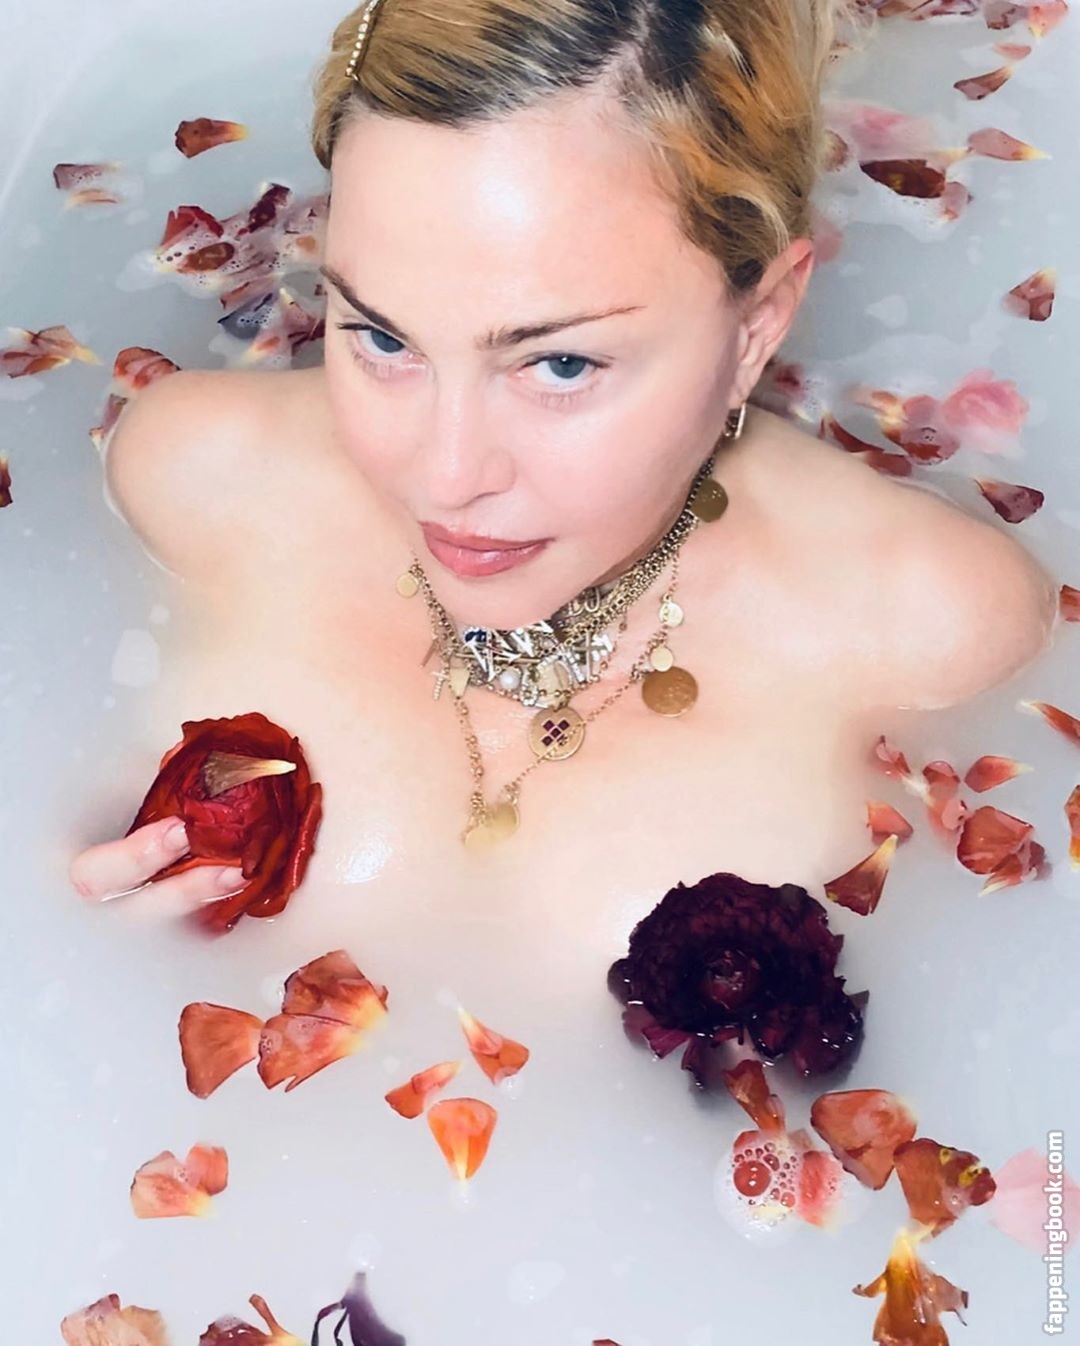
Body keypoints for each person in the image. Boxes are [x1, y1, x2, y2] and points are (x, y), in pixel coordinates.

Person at [70, 0, 1059, 914]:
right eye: (381, 337)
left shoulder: (931, 621)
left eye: (561, 363)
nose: (444, 477)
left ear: (756, 326)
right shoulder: (198, 475)